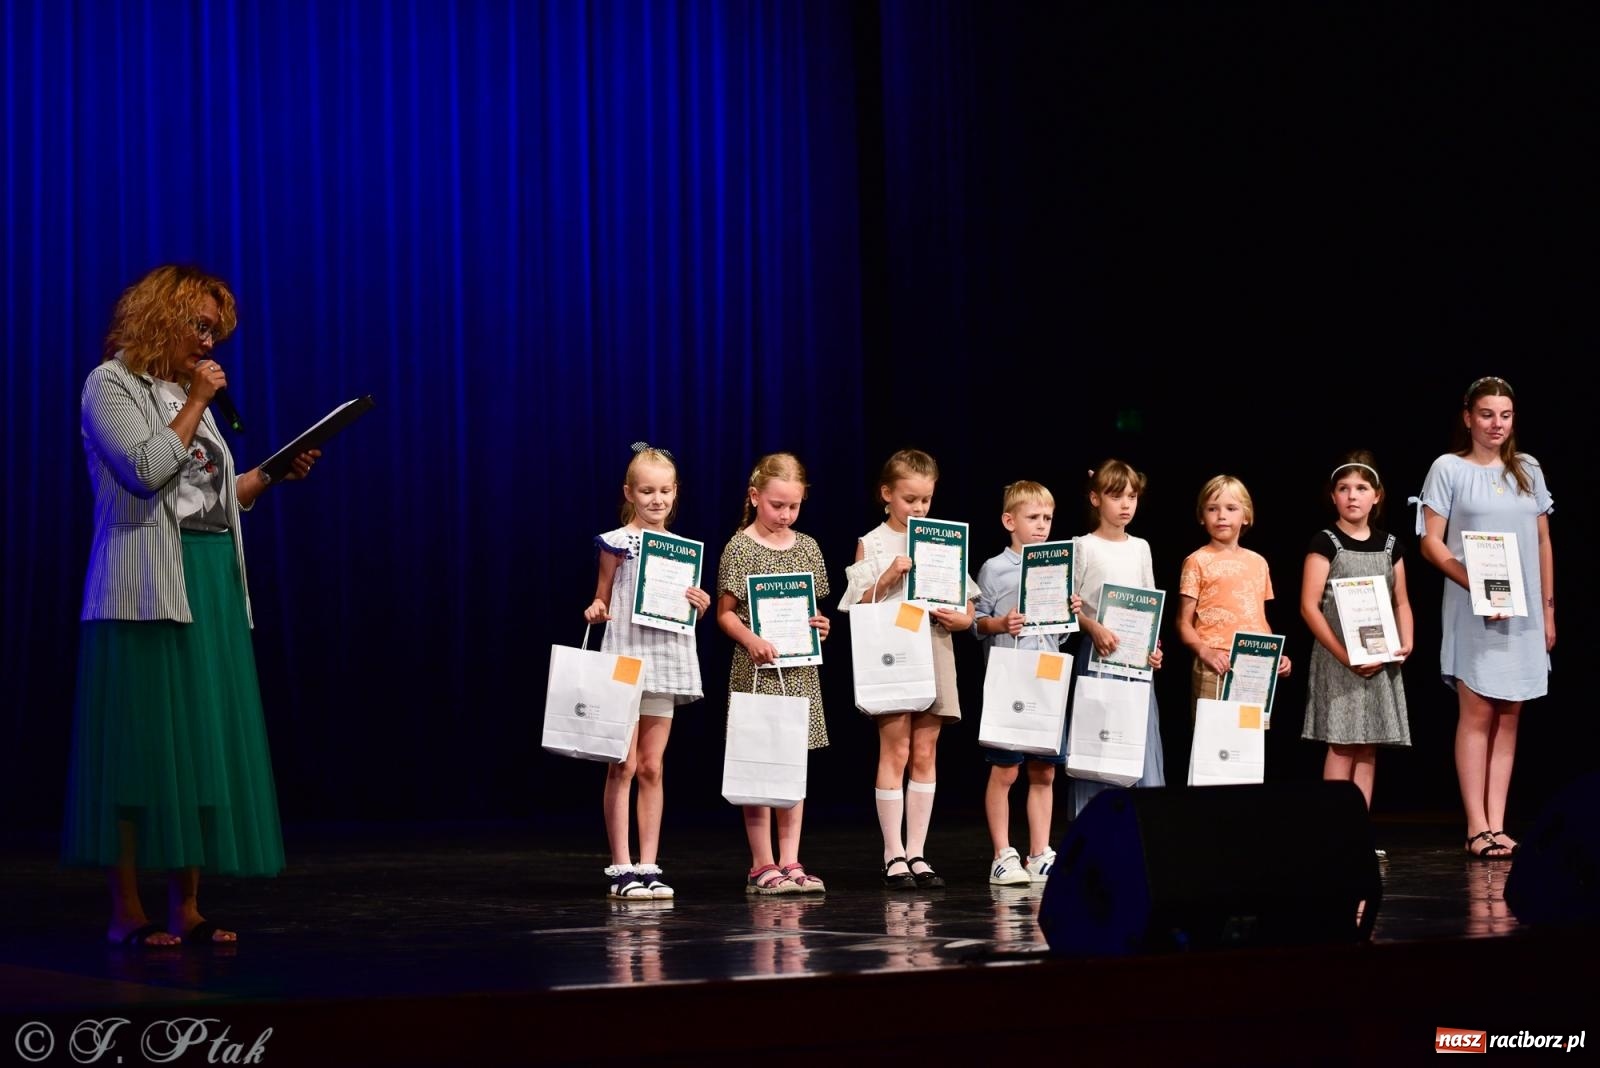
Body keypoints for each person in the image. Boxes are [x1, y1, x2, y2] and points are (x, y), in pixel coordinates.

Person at [63, 264, 320, 947]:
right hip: (144, 587)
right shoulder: (111, 383)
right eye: (198, 326)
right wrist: (197, 404)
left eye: (216, 332)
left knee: (198, 747)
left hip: (207, 580)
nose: (208, 344)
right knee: (141, 751)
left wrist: (268, 475)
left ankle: (189, 907)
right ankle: (128, 912)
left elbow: (212, 502)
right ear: (159, 317)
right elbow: (146, 473)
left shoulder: (184, 393)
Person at [1416, 376, 1554, 861]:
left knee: (1511, 716)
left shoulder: (1528, 470)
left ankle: (1498, 822)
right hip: (1471, 604)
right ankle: (1476, 825)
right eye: (1487, 414)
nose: (1497, 424)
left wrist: (1548, 609)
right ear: (1468, 417)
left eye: (1506, 415)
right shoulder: (1448, 468)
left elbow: (1541, 542)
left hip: (1523, 610)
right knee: (1477, 715)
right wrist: (1470, 577)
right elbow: (1430, 540)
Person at [840, 449, 978, 889]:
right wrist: (887, 579)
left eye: (925, 500)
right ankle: (892, 853)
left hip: (934, 642)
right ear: (887, 494)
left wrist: (965, 618)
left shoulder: (939, 537)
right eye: (909, 499)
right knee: (895, 749)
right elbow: (856, 604)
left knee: (926, 750)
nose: (918, 508)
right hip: (893, 648)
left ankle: (918, 851)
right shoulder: (874, 541)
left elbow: (967, 602)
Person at [584, 443, 710, 899]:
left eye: (664, 491)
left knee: (653, 766)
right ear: (630, 492)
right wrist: (597, 609)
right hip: (626, 659)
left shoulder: (681, 551)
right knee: (624, 764)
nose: (656, 500)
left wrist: (699, 606)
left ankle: (649, 864)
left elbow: (680, 611)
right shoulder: (615, 543)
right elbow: (603, 595)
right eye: (647, 491)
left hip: (666, 659)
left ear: (676, 493)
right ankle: (621, 867)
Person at [716, 453, 832, 895]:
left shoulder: (808, 547)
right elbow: (725, 614)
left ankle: (791, 860)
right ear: (754, 497)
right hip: (756, 671)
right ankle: (761, 863)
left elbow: (813, 610)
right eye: (776, 505)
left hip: (799, 673)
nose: (785, 515)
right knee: (758, 767)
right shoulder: (739, 547)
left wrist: (822, 625)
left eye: (793, 507)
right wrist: (750, 640)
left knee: (791, 767)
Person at [973, 480, 1079, 884]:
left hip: (1047, 676)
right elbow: (977, 623)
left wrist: (1067, 613)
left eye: (1047, 518)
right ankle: (1002, 852)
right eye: (1033, 518)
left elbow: (1061, 634)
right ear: (1009, 520)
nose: (1041, 526)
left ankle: (1039, 851)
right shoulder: (994, 568)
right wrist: (1001, 623)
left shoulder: (1057, 566)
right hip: (1010, 680)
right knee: (1006, 771)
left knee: (1045, 771)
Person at [1300, 451, 1413, 819]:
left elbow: (1401, 602)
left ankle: (1358, 830)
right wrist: (1344, 655)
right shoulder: (1326, 541)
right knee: (1343, 745)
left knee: (1368, 746)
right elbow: (1309, 606)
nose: (1352, 495)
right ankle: (1334, 833)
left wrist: (1405, 641)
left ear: (1376, 495)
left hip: (1379, 658)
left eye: (1361, 488)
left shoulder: (1389, 545)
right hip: (1339, 660)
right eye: (1344, 488)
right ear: (1333, 496)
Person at [1067, 460, 1166, 817]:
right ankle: (1095, 830)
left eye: (1132, 496)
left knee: (1133, 743)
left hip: (1135, 664)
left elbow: (1149, 601)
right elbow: (1069, 607)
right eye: (1115, 496)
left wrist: (1154, 647)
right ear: (1095, 499)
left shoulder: (1140, 547)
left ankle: (1138, 836)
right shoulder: (1084, 546)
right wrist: (1092, 626)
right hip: (1098, 658)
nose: (1125, 505)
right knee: (1100, 744)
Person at [1177, 474, 1292, 719]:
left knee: (1246, 742)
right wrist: (1204, 651)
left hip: (1254, 668)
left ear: (1246, 516)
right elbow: (1183, 622)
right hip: (1215, 664)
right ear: (1201, 516)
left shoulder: (1258, 562)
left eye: (1231, 508)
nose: (1221, 516)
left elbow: (1258, 618)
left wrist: (1274, 654)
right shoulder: (1197, 561)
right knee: (1212, 743)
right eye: (1212, 509)